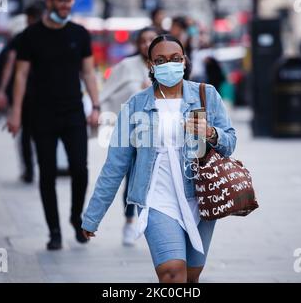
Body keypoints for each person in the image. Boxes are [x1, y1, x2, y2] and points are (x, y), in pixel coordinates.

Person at [81, 35, 236, 283]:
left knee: (191, 278)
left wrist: (210, 133)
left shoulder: (206, 95)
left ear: (184, 61)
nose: (169, 65)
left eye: (175, 59)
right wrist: (92, 216)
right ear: (151, 65)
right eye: (160, 60)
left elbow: (230, 143)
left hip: (201, 197)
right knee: (172, 273)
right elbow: (115, 165)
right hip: (156, 198)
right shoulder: (135, 106)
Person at [6, 0, 100, 250]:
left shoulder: (79, 34)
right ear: (49, 2)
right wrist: (16, 113)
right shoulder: (30, 36)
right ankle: (54, 231)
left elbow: (88, 73)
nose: (67, 5)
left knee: (80, 169)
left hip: (73, 113)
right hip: (41, 114)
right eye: (61, 1)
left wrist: (95, 105)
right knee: (46, 173)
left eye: (69, 1)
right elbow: (21, 75)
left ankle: (75, 216)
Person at [100, 26, 158, 246]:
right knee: (133, 177)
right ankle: (129, 221)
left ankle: (155, 223)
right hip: (132, 131)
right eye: (142, 40)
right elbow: (107, 93)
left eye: (151, 39)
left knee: (155, 179)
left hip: (160, 133)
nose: (146, 44)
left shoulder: (166, 65)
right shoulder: (126, 66)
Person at [0, 2, 44, 183]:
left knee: (26, 134)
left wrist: (2, 90)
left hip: (25, 93)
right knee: (39, 132)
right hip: (38, 94)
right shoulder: (44, 36)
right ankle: (39, 167)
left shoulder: (21, 37)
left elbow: (10, 65)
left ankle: (30, 170)